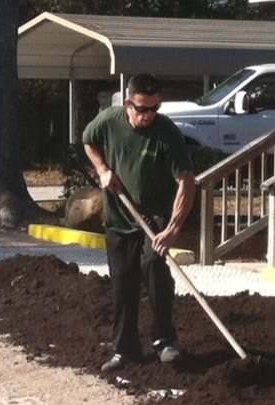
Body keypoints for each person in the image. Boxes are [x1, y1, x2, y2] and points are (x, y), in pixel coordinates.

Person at [83, 73, 195, 372]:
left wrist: (172, 229)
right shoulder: (108, 121)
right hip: (119, 216)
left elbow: (186, 182)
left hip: (155, 215)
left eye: (155, 108)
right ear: (129, 104)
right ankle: (125, 350)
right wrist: (103, 170)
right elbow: (88, 142)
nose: (150, 115)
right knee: (122, 282)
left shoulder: (167, 133)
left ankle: (165, 340)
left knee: (154, 267)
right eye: (143, 109)